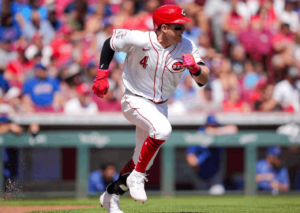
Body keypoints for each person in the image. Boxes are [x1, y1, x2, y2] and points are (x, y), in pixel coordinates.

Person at [92, 5, 210, 213]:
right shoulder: (140, 39)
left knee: (141, 160)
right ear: (163, 28)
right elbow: (109, 43)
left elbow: (203, 80)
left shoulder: (187, 46)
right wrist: (102, 75)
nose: (183, 31)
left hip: (160, 105)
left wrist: (196, 68)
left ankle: (111, 196)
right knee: (163, 131)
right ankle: (137, 178)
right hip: (134, 99)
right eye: (178, 27)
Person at [186, 114, 237, 195]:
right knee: (201, 197)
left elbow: (233, 129)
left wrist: (215, 132)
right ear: (206, 125)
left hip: (216, 173)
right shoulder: (199, 134)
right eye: (211, 125)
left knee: (218, 192)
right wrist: (203, 156)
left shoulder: (218, 131)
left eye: (214, 125)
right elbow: (191, 160)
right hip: (200, 174)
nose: (213, 127)